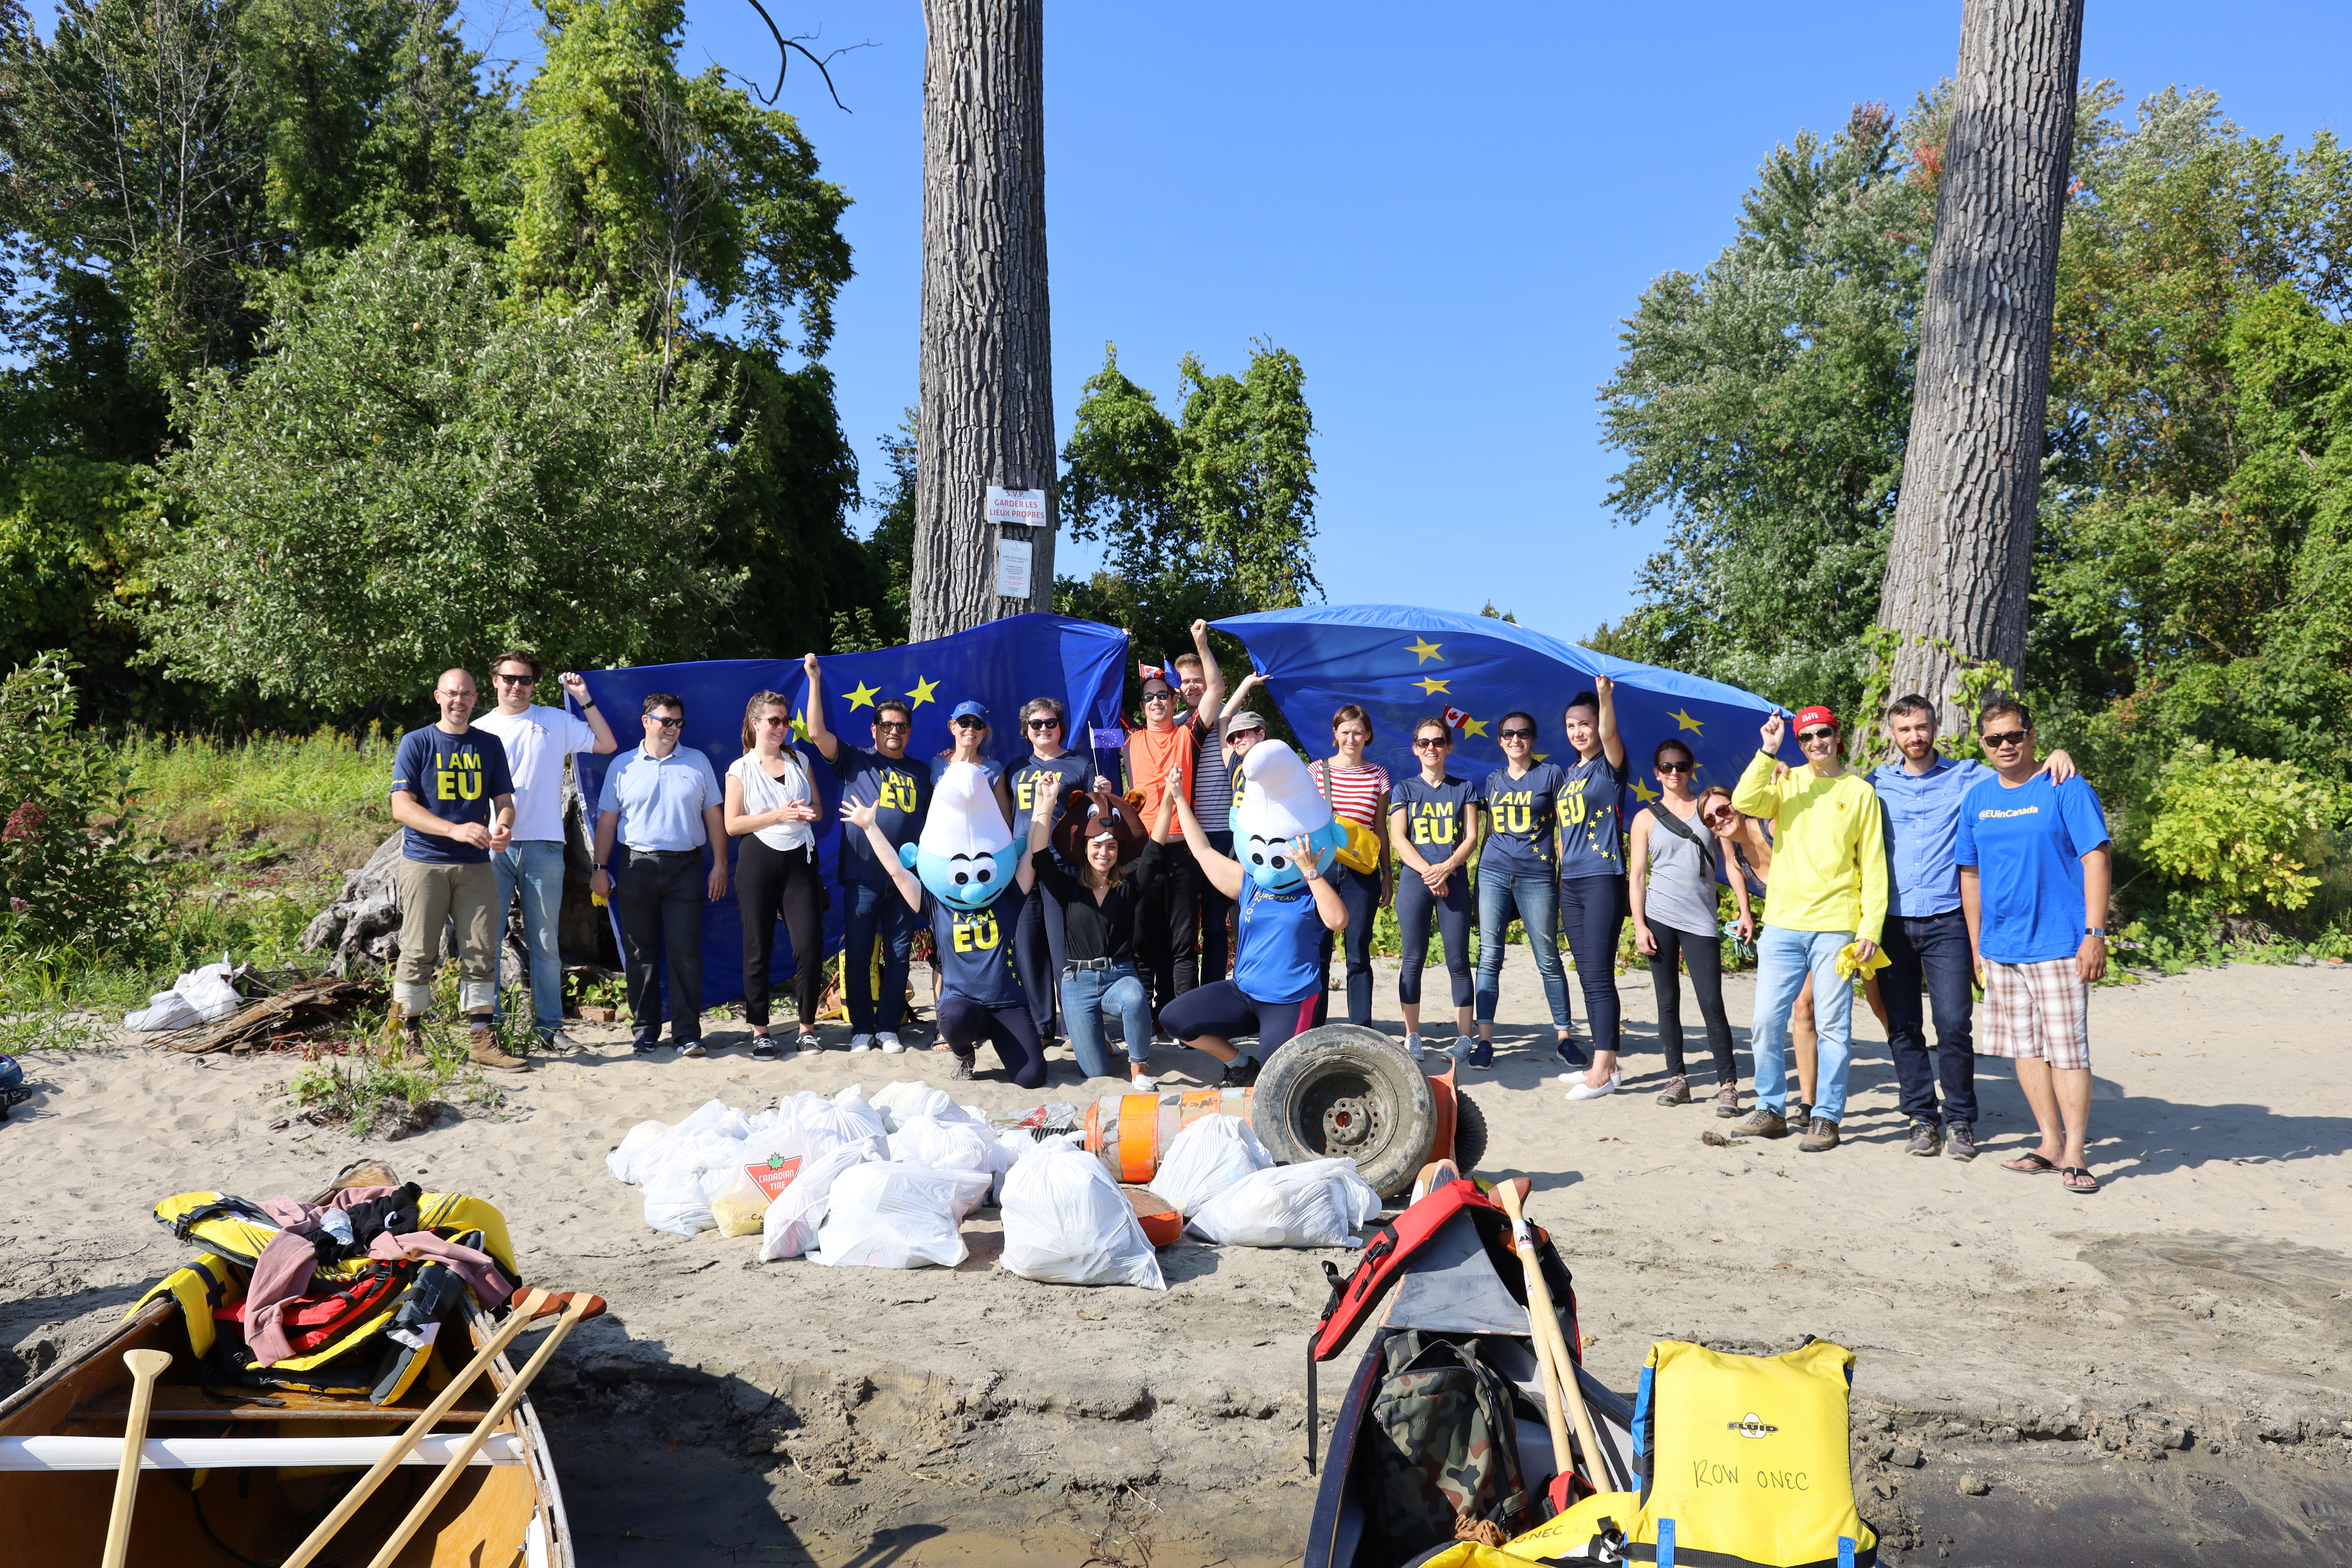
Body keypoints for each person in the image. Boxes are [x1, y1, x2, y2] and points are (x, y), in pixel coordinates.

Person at [1871, 693, 2075, 1161]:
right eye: (1905, 730)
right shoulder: (1876, 783)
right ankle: (1922, 1116)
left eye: (1922, 727)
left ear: (1935, 727)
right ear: (1893, 734)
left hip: (1948, 921)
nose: (1915, 737)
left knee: (1953, 1023)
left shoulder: (1970, 778)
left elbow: (2020, 772)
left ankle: (1961, 1119)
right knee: (1903, 1024)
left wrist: (2058, 756)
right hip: (1893, 921)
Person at [1957, 698, 2112, 1194]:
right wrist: (1976, 945)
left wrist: (2096, 934)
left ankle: (2076, 1152)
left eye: (2014, 736)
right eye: (1994, 739)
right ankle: (2048, 1143)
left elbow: (2097, 859)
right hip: (2001, 949)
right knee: (2025, 1050)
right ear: (1982, 744)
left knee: (2068, 1053)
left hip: (2060, 944)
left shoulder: (2065, 787)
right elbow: (1971, 875)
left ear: (2030, 734)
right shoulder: (1977, 799)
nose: (2006, 746)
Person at [1730, 705, 1888, 1152]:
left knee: (1833, 1026)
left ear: (1838, 737)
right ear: (1798, 743)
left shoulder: (1860, 792)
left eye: (1824, 733)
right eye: (1807, 737)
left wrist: (1870, 926)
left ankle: (1826, 1116)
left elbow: (1874, 866)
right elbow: (1744, 802)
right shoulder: (1786, 779)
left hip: (1837, 925)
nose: (1816, 742)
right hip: (1782, 923)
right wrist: (1768, 750)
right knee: (1764, 1022)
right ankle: (1771, 1109)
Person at [1163, 740, 1350, 1086]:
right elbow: (1203, 850)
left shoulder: (1314, 890)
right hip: (1244, 993)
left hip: (1290, 1001)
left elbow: (1338, 921)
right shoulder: (1251, 883)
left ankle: (1263, 1072)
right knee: (1176, 1019)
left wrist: (1310, 871)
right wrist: (1178, 799)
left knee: (1276, 1085)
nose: (1270, 868)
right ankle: (1239, 1064)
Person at [845, 761, 1043, 1086]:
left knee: (1032, 1078)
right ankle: (964, 1053)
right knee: (952, 1017)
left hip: (1008, 1003)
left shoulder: (1008, 898)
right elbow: (898, 872)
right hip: (964, 1004)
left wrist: (1043, 808)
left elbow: (1032, 857)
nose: (974, 886)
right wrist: (870, 828)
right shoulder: (936, 905)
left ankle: (1005, 1041)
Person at [473, 651, 617, 1052]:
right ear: (496, 681)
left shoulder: (554, 720)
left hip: (545, 844)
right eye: (509, 679)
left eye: (525, 679)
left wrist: (584, 696)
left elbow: (607, 743)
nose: (516, 686)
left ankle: (548, 1028)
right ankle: (490, 1031)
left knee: (545, 941)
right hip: (492, 846)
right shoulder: (478, 728)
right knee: (486, 940)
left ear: (534, 683)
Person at [387, 669, 526, 1072]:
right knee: (418, 950)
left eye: (466, 694)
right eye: (452, 693)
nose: (459, 700)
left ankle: (481, 1040)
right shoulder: (417, 742)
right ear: (438, 696)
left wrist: (503, 825)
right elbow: (402, 807)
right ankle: (404, 1040)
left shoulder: (489, 744)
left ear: (476, 697)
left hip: (476, 865)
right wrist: (454, 829)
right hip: (425, 861)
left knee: (482, 950)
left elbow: (504, 799)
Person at [802, 653, 931, 1054]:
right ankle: (862, 1027)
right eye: (887, 725)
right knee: (859, 954)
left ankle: (889, 1026)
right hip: (862, 874)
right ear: (874, 729)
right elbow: (815, 729)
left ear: (909, 732)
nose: (895, 731)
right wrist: (814, 679)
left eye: (902, 726)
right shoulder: (855, 760)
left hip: (906, 879)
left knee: (898, 957)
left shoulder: (924, 772)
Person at [590, 693, 727, 1058]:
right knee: (640, 953)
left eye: (679, 722)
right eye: (666, 721)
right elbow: (607, 822)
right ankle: (646, 1030)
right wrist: (599, 868)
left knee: (686, 952)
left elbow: (715, 816)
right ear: (646, 721)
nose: (673, 729)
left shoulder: (697, 762)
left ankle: (687, 1033)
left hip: (686, 867)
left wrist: (721, 864)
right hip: (636, 866)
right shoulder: (622, 766)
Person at [1029, 769, 1178, 1088]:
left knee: (1135, 998)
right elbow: (1040, 856)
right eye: (1097, 845)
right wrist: (1047, 800)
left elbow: (1154, 849)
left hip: (1119, 975)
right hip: (1076, 983)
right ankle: (1105, 1046)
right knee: (1096, 1071)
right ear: (1084, 848)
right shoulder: (1068, 887)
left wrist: (1169, 797)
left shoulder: (1129, 886)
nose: (1104, 853)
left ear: (1119, 851)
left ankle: (1139, 1066)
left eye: (1111, 847)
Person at [1630, 741, 1752, 1115]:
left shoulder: (1709, 810)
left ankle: (1728, 1085)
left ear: (1691, 768)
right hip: (1659, 916)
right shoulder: (1646, 818)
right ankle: (1677, 1079)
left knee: (1712, 1003)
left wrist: (1745, 911)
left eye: (1681, 765)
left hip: (1701, 918)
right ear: (1657, 772)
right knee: (1667, 1002)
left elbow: (1731, 863)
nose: (1674, 773)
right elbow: (1637, 875)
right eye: (1666, 766)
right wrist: (1639, 924)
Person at [1470, 711, 1577, 1069]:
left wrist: (1564, 875)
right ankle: (1484, 1041)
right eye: (1508, 734)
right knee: (1489, 956)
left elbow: (1566, 829)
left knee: (1548, 958)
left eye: (1523, 733)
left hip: (1537, 876)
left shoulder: (1551, 774)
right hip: (1494, 872)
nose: (1516, 740)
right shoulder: (1494, 780)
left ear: (1533, 739)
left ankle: (1564, 1037)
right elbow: (1487, 832)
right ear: (1500, 740)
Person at [723, 692, 826, 1059]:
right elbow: (732, 824)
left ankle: (807, 1028)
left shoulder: (800, 758)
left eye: (785, 720)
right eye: (774, 721)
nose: (782, 727)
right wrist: (777, 816)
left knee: (810, 946)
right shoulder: (741, 768)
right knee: (758, 949)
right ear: (756, 724)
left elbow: (817, 806)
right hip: (758, 860)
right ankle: (761, 1031)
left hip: (800, 858)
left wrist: (808, 815)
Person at [1388, 717, 1481, 1060]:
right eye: (1424, 743)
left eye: (1438, 742)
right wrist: (1430, 872)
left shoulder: (1465, 788)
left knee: (1458, 959)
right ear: (1415, 748)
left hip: (1453, 878)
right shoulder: (1405, 789)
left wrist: (1447, 869)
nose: (1432, 748)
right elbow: (1398, 837)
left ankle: (1465, 1037)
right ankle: (1412, 1035)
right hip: (1417, 878)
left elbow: (1471, 837)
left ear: (1449, 747)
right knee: (1413, 958)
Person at [1557, 680, 1632, 1101]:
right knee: (1587, 974)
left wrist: (1604, 698)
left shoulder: (1609, 764)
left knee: (1601, 976)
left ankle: (1603, 1069)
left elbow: (1608, 734)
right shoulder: (1572, 773)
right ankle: (1606, 1062)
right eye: (1571, 725)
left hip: (1604, 877)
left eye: (1584, 723)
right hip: (1573, 882)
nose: (1579, 731)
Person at [1008, 696, 1096, 1047]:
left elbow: (1097, 817)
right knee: (1029, 949)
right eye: (1036, 724)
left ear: (1061, 726)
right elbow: (1004, 814)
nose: (1044, 729)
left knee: (1064, 950)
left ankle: (1074, 1025)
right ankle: (1043, 1027)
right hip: (1022, 867)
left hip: (1064, 866)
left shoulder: (1079, 764)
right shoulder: (1015, 768)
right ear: (1026, 731)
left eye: (1050, 722)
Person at [1307, 705, 1391, 1028]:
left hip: (1362, 872)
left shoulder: (1379, 775)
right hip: (1323, 868)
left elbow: (1380, 828)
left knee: (1358, 953)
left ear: (1368, 735)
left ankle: (1362, 1028)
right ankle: (1315, 1027)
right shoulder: (1317, 771)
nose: (1351, 738)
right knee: (1320, 953)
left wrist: (1387, 873)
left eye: (1358, 732)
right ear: (1335, 735)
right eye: (1345, 732)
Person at [1125, 669, 1201, 1018]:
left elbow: (1215, 689)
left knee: (1183, 941)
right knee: (1142, 939)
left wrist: (1201, 642)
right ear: (1142, 707)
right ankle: (1144, 1018)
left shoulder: (1188, 734)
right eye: (1149, 697)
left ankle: (1181, 1017)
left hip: (1184, 849)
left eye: (1162, 695)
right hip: (1143, 851)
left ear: (1175, 702)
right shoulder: (1130, 741)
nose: (1156, 701)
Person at [1172, 624, 1234, 985]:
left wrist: (1202, 645)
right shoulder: (1175, 724)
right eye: (1185, 681)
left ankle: (1214, 994)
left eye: (1198, 679)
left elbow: (1219, 689)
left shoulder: (1226, 718)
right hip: (1184, 837)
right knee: (1182, 925)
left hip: (1222, 834)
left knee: (1214, 923)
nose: (1192, 686)